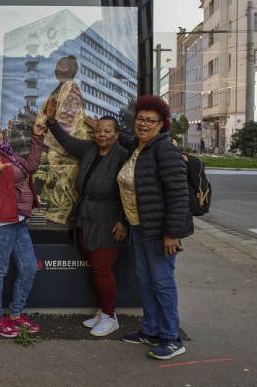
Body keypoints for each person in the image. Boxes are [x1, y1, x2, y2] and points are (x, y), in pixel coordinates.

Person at [115, 95, 193, 360]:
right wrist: (98, 129)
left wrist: (172, 234)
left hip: (160, 231)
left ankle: (171, 338)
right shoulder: (139, 147)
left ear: (162, 125)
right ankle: (150, 330)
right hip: (140, 227)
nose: (144, 124)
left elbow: (179, 195)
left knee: (162, 283)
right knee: (146, 281)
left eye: (150, 121)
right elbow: (123, 140)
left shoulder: (164, 149)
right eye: (140, 119)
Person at [45, 97, 128, 337]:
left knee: (102, 269)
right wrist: (51, 122)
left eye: (108, 131)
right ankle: (103, 312)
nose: (102, 135)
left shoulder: (122, 155)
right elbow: (67, 141)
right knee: (95, 268)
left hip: (111, 220)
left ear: (116, 135)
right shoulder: (89, 149)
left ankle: (111, 317)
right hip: (86, 217)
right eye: (99, 130)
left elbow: (129, 190)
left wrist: (123, 221)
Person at [0, 116, 46, 337]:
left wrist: (38, 136)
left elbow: (31, 165)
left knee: (29, 266)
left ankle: (15, 314)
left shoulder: (8, 154)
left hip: (18, 219)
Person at [35, 55, 90, 224]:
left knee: (58, 187)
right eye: (57, 66)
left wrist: (47, 138)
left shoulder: (71, 89)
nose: (58, 69)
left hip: (62, 151)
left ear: (73, 71)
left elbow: (68, 122)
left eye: (63, 67)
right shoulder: (59, 88)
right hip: (50, 146)